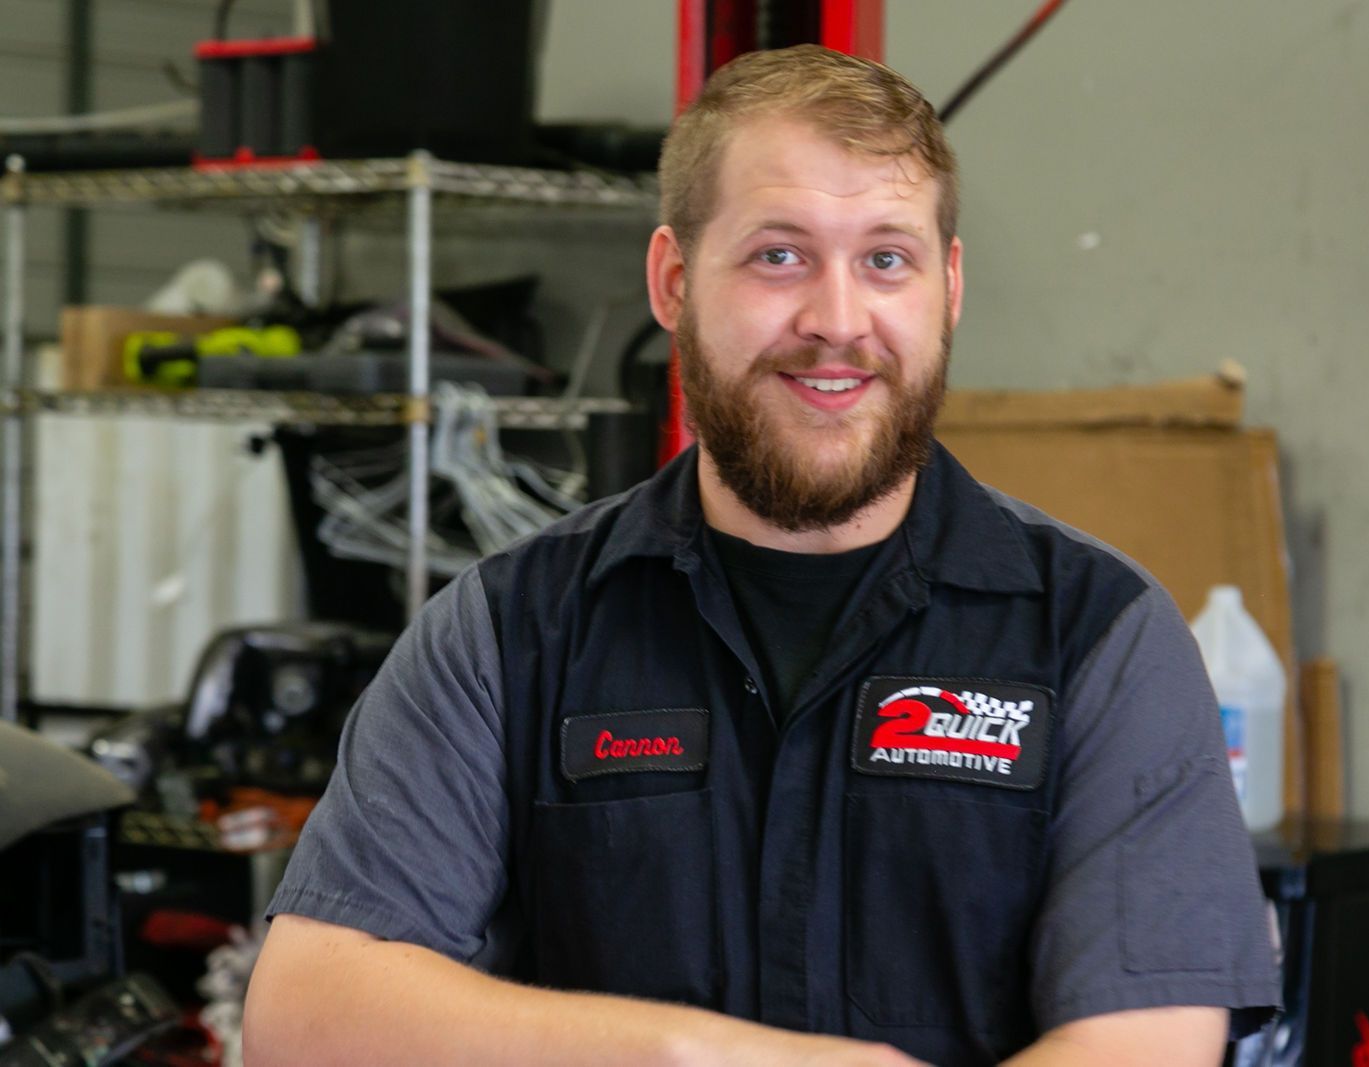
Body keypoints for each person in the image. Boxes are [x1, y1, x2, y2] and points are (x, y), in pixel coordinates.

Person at [243, 44, 1280, 1066]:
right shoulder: (510, 633)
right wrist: (688, 1054)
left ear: (948, 287)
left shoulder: (1097, 633)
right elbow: (306, 1012)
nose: (836, 322)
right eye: (778, 254)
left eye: (886, 258)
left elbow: (1143, 1041)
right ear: (672, 279)